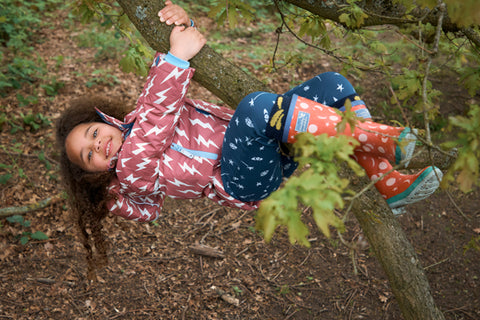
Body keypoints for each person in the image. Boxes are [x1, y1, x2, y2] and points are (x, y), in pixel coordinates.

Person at [56, 1, 442, 272]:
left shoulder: (138, 115)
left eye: (92, 133)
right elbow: (159, 115)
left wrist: (181, 24)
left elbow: (158, 100)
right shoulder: (131, 171)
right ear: (97, 172)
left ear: (103, 120)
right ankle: (382, 139)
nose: (97, 145)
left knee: (332, 84)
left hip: (266, 144)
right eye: (89, 155)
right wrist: (175, 58)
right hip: (245, 179)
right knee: (256, 106)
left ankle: (389, 182)